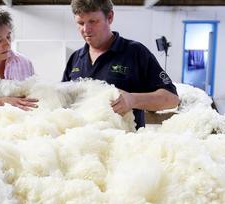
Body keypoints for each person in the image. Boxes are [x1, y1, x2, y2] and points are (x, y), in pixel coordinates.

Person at [62, 0, 179, 129]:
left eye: (93, 21)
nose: (86, 29)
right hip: (82, 142)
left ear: (110, 17)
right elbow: (63, 99)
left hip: (122, 144)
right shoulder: (76, 58)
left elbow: (171, 99)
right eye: (80, 23)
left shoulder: (135, 52)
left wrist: (132, 100)